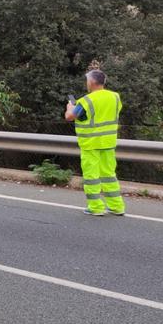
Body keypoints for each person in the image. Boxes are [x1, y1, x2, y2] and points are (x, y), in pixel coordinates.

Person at [65, 69, 125, 215]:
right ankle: (117, 207)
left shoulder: (87, 100)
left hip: (91, 143)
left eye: (87, 81)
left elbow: (70, 117)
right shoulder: (115, 97)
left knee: (91, 176)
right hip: (108, 142)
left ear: (91, 82)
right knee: (109, 175)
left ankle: (96, 207)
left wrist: (69, 108)